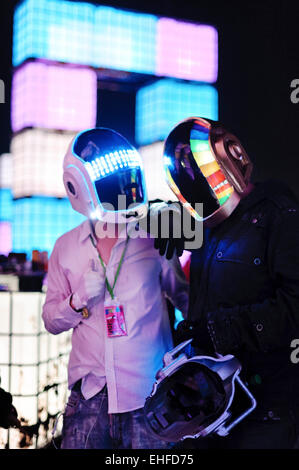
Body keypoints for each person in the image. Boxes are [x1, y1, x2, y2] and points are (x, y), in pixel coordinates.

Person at [155, 116, 299, 449]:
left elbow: (294, 307)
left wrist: (221, 329)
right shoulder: (209, 229)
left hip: (267, 410)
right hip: (215, 405)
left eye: (201, 173)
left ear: (230, 156)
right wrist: (165, 228)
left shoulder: (279, 214)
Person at [42, 128, 189, 449]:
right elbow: (51, 321)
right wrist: (78, 299)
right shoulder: (65, 248)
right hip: (90, 398)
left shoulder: (155, 238)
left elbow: (186, 298)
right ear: (77, 186)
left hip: (149, 395)